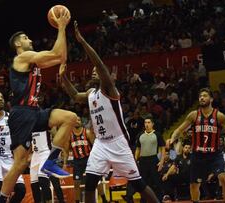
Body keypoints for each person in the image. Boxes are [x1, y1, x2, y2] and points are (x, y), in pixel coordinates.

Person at [60, 21, 159, 203]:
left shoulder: (110, 90)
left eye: (96, 70)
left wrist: (82, 42)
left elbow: (98, 62)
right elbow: (75, 95)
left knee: (138, 185)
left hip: (118, 142)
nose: (94, 72)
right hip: (100, 144)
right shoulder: (91, 93)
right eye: (92, 71)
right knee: (89, 184)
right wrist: (63, 78)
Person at [0, 9, 77, 203]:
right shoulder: (22, 58)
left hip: (34, 111)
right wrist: (61, 27)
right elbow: (56, 53)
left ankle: (50, 161)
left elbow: (61, 57)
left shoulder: (34, 62)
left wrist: (62, 31)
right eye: (25, 38)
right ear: (18, 44)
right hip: (21, 113)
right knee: (20, 164)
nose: (30, 40)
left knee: (70, 118)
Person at [170, 87, 225, 202]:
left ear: (211, 99)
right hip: (198, 155)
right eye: (200, 96)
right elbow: (179, 129)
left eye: (205, 95)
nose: (202, 98)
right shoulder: (193, 115)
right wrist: (172, 138)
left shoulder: (219, 116)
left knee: (224, 179)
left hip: (215, 155)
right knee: (194, 185)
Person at [66, 117, 108, 203]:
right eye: (76, 120)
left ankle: (104, 199)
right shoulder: (69, 135)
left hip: (89, 159)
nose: (78, 121)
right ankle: (77, 201)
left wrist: (98, 158)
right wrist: (64, 162)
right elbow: (66, 150)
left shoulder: (87, 132)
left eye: (79, 120)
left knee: (97, 181)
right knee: (76, 183)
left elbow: (95, 146)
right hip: (77, 161)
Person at [135, 117, 165, 201]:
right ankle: (143, 200)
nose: (147, 124)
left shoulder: (157, 134)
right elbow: (138, 149)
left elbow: (163, 148)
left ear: (152, 124)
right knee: (143, 183)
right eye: (145, 123)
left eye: (148, 122)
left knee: (156, 182)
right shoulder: (140, 135)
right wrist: (135, 160)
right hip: (142, 161)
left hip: (153, 160)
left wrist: (162, 162)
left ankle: (158, 200)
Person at [30, 130, 65, 203]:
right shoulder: (30, 125)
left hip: (48, 156)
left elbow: (57, 135)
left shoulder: (46, 124)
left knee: (55, 185)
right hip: (36, 156)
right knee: (35, 184)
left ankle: (61, 201)